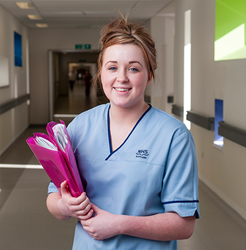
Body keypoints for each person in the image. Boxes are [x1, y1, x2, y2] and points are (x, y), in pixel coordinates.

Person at [46, 15, 199, 250]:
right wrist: (67, 206)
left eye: (134, 68)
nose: (122, 78)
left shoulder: (173, 136)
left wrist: (119, 225)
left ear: (149, 76)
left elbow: (184, 226)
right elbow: (54, 198)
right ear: (101, 73)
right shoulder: (79, 126)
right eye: (113, 67)